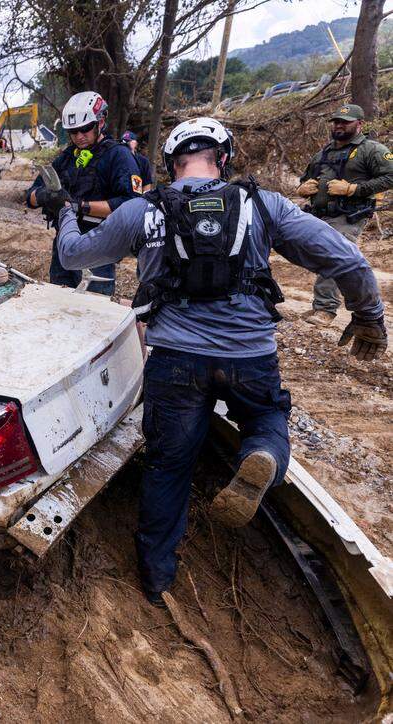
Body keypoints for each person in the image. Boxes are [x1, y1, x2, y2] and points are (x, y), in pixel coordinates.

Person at [37, 117, 387, 605]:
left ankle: (157, 580)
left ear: (170, 164)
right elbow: (347, 260)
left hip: (176, 359)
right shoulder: (263, 204)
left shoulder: (144, 210)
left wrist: (66, 211)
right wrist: (369, 317)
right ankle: (259, 453)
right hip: (250, 356)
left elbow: (74, 257)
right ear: (224, 158)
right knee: (266, 418)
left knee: (168, 465)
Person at [27, 91, 142, 296]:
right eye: (73, 131)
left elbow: (132, 205)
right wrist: (45, 196)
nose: (79, 136)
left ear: (101, 121)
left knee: (93, 310)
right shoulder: (67, 157)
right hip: (63, 245)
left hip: (98, 246)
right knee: (59, 303)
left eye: (85, 129)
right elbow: (30, 197)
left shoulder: (118, 156)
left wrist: (78, 206)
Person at [296, 103, 393, 326]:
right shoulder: (324, 152)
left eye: (345, 122)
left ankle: (326, 310)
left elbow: (390, 177)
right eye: (336, 121)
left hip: (350, 215)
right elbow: (305, 178)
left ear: (359, 124)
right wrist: (303, 188)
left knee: (332, 254)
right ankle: (345, 300)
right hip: (318, 214)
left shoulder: (372, 150)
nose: (339, 125)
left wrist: (354, 189)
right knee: (323, 256)